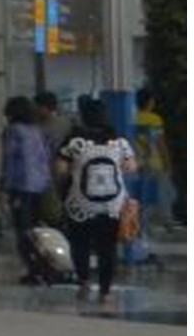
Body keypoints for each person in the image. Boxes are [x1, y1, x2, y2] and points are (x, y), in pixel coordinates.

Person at [59, 102, 142, 307]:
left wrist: (74, 172)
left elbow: (60, 169)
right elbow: (131, 167)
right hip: (112, 205)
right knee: (107, 248)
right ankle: (105, 293)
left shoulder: (73, 141)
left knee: (80, 244)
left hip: (80, 204)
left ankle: (84, 283)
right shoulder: (119, 142)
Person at [0, 96, 62, 273]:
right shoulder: (38, 131)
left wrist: (2, 188)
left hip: (21, 186)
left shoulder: (13, 131)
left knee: (23, 229)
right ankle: (45, 264)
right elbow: (47, 156)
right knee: (37, 228)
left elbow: (8, 160)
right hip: (41, 186)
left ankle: (33, 268)